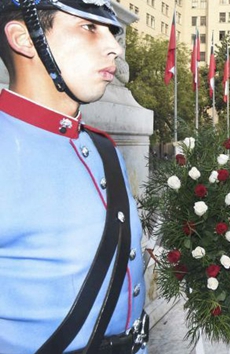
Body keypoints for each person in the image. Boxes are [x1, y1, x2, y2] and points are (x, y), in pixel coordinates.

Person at [0, 0, 148, 352]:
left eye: (111, 31)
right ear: (24, 38)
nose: (114, 46)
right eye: (89, 28)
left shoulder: (101, 149)